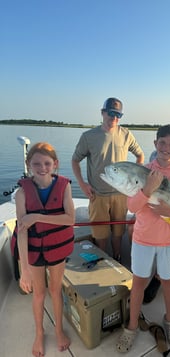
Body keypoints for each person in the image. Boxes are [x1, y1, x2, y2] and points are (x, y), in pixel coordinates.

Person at [116, 124, 170, 353]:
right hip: (143, 239)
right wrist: (147, 190)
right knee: (138, 285)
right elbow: (132, 207)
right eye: (162, 143)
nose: (166, 148)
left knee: (169, 283)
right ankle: (132, 327)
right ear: (155, 144)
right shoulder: (143, 171)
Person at [13, 142, 75, 357]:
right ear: (28, 164)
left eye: (47, 163)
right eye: (36, 163)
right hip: (33, 252)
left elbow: (70, 219)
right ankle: (39, 333)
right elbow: (21, 231)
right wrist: (25, 270)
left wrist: (37, 216)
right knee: (39, 294)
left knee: (55, 291)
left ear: (55, 164)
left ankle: (58, 331)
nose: (42, 167)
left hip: (57, 250)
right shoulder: (22, 193)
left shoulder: (64, 186)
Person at [71, 97, 144, 261]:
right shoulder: (88, 136)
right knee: (101, 237)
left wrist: (134, 180)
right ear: (103, 113)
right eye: (111, 113)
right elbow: (75, 160)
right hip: (98, 195)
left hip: (121, 195)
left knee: (118, 235)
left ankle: (116, 261)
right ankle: (101, 265)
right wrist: (82, 184)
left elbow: (140, 155)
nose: (114, 118)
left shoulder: (126, 135)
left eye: (119, 115)